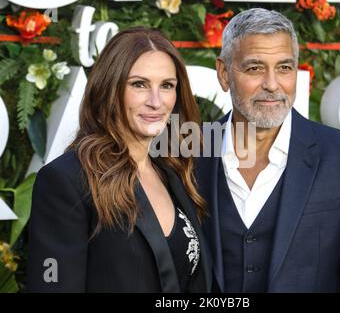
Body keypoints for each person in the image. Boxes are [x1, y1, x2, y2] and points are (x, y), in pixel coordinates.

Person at [195, 8, 340, 292]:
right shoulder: (188, 153)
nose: (272, 84)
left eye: (284, 68)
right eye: (255, 68)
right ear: (224, 74)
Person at [27, 26, 211, 292]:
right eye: (139, 84)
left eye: (167, 86)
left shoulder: (174, 171)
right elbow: (51, 285)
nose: (156, 101)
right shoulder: (67, 180)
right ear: (109, 89)